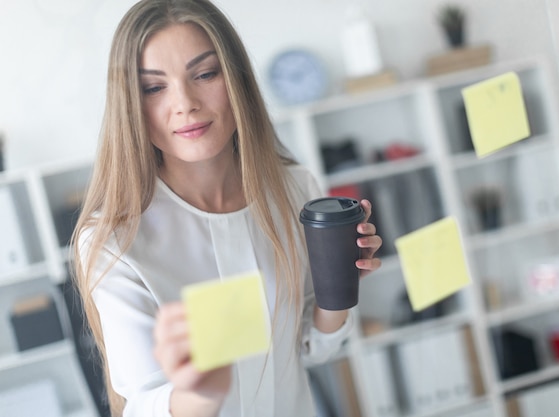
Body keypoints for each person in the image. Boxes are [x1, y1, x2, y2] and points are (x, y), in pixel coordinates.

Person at [71, 1, 383, 416]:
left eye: (204, 74)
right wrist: (200, 393)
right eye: (153, 87)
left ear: (236, 79)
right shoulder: (116, 240)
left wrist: (340, 283)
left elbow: (314, 351)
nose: (185, 103)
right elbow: (144, 404)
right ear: (130, 103)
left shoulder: (296, 190)